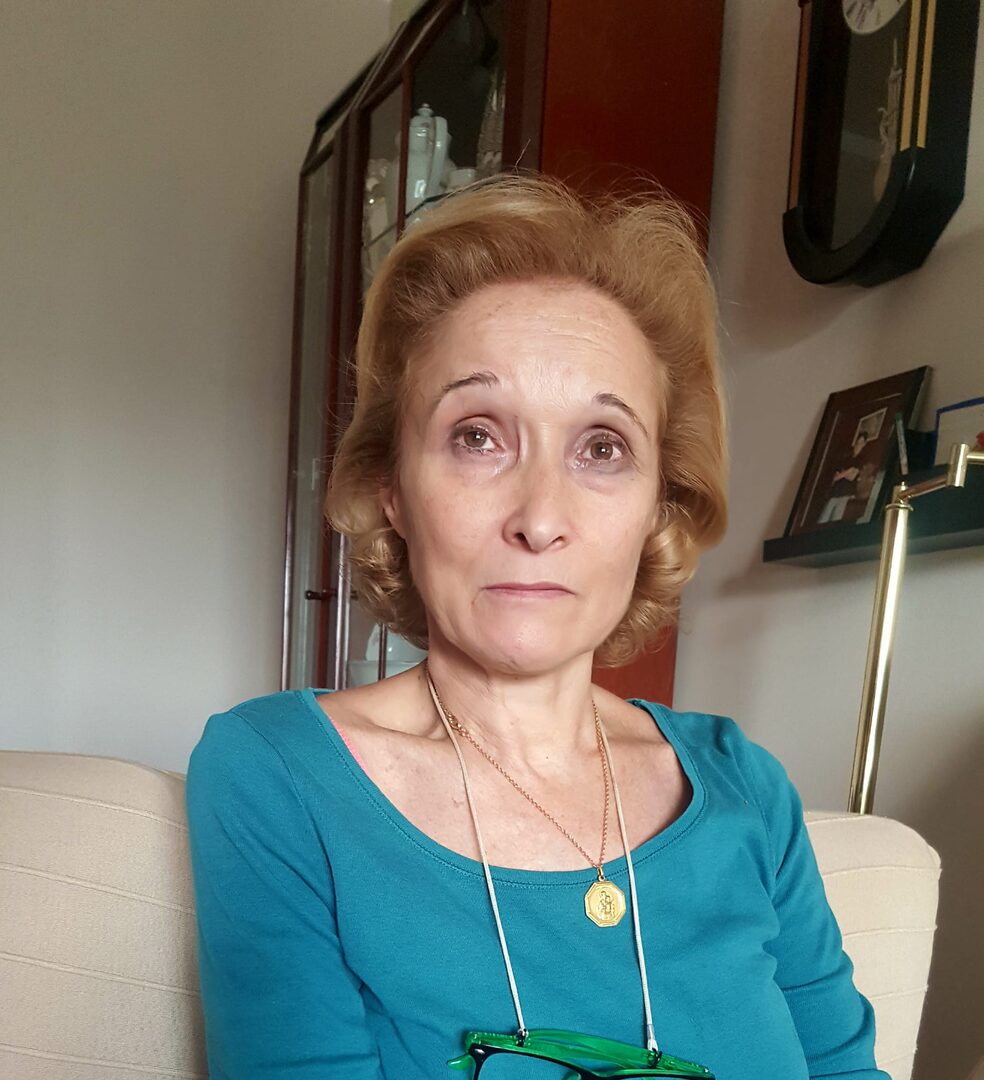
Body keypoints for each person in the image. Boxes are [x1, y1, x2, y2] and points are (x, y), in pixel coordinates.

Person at [185, 173, 888, 1079]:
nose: (541, 518)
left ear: (658, 506)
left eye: (602, 448)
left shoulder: (747, 788)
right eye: (478, 436)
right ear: (392, 488)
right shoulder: (276, 774)